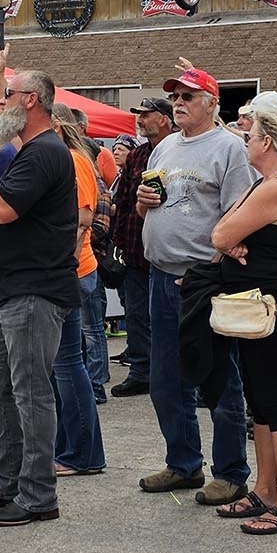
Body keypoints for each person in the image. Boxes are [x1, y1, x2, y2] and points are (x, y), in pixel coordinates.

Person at [181, 107, 277, 535]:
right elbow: (224, 230)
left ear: (268, 142)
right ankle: (264, 490)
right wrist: (232, 236)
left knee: (274, 402)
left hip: (272, 309)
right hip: (259, 305)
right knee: (261, 400)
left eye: (251, 134)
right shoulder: (269, 185)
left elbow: (220, 236)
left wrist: (232, 239)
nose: (246, 141)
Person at [0, 67, 79, 527]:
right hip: (9, 289)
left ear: (31, 101)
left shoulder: (45, 152)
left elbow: (3, 208)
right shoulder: (32, 148)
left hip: (33, 291)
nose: (1, 103)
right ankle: (10, 478)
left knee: (31, 393)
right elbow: (4, 133)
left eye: (8, 95)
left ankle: (38, 495)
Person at [136, 67, 254, 507]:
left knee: (218, 377)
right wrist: (142, 202)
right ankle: (184, 464)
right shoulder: (164, 147)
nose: (178, 102)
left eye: (188, 95)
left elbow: (239, 219)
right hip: (160, 275)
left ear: (212, 103)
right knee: (165, 380)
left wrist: (214, 272)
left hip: (203, 279)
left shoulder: (229, 149)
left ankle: (230, 473)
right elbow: (149, 207)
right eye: (175, 95)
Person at [50, 104, 107, 473]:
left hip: (74, 271)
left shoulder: (74, 159)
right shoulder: (64, 158)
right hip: (66, 271)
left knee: (69, 364)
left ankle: (82, 454)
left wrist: (65, 266)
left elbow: (83, 219)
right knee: (63, 366)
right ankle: (72, 449)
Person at [109, 99, 173, 397]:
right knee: (136, 315)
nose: (140, 120)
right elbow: (122, 201)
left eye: (146, 115)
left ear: (164, 119)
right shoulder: (136, 156)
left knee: (174, 318)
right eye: (140, 115)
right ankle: (141, 372)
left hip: (172, 255)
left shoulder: (179, 150)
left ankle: (184, 376)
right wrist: (119, 241)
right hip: (136, 252)